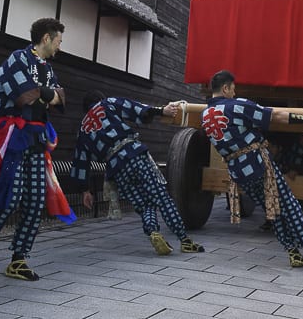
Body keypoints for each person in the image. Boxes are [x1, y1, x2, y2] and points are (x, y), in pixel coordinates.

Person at [201, 70, 303, 269]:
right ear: (225, 88)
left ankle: (293, 253)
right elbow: (274, 116)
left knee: (272, 209)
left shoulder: (206, 114)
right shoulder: (237, 106)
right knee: (290, 206)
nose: (234, 92)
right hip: (258, 165)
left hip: (238, 172)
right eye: (233, 89)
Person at [0, 17, 66, 281]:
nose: (59, 47)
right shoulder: (16, 59)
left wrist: (43, 93)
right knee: (10, 196)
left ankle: (18, 259)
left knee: (35, 201)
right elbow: (22, 95)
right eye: (58, 41)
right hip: (15, 137)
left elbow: (59, 97)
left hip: (37, 138)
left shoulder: (47, 68)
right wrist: (45, 94)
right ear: (46, 38)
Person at [70, 90, 204, 256]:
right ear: (99, 99)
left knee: (144, 205)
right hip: (134, 155)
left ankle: (153, 232)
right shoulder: (106, 104)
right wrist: (161, 111)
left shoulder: (83, 129)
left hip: (117, 169)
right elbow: (134, 108)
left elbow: (80, 161)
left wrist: (84, 190)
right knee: (161, 197)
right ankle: (184, 240)